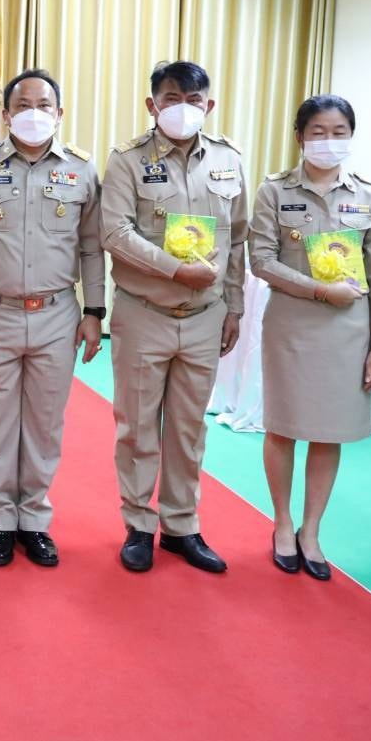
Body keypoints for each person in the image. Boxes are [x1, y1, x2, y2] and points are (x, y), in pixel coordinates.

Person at [0, 70, 104, 567]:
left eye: (44, 105)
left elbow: (92, 247)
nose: (34, 113)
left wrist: (95, 311)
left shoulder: (81, 170)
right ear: (6, 114)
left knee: (44, 423)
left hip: (57, 314)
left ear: (59, 113)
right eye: (23, 105)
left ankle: (33, 519)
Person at [100, 60, 246, 574]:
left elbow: (237, 238)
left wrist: (234, 306)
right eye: (171, 98)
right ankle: (139, 525)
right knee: (138, 427)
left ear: (209, 105)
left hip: (206, 317)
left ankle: (182, 526)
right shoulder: (127, 160)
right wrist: (175, 270)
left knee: (188, 429)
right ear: (152, 104)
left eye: (193, 100)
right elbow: (114, 232)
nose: (182, 108)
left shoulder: (228, 159)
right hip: (145, 312)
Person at [249, 95, 371, 581]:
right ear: (299, 137)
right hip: (291, 325)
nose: (328, 141)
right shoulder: (274, 190)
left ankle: (311, 530)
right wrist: (319, 290)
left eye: (338, 132)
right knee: (283, 427)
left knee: (329, 432)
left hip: (348, 332)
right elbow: (261, 260)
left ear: (351, 136)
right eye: (318, 132)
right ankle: (282, 522)